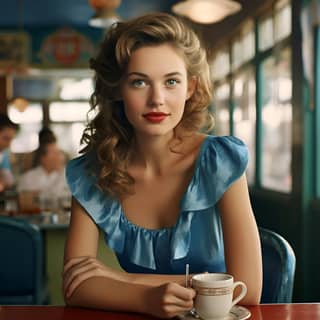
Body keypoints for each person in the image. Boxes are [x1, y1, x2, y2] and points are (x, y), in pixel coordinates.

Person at [63, 12, 262, 319]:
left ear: (190, 88)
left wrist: (122, 280)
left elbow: (248, 288)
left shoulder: (220, 160)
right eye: (139, 82)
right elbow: (75, 287)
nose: (157, 99)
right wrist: (146, 299)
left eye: (171, 81)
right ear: (117, 89)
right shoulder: (92, 172)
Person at [17, 140, 70, 211]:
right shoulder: (28, 178)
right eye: (55, 153)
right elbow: (24, 202)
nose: (60, 157)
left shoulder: (67, 176)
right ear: (43, 158)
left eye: (59, 153)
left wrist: (38, 194)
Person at [0, 113, 18, 192]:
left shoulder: (5, 153)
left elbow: (9, 181)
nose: (8, 144)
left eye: (11, 140)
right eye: (6, 139)